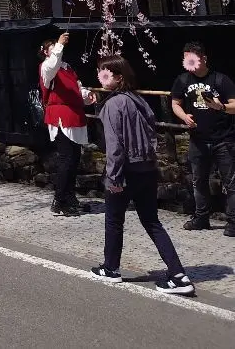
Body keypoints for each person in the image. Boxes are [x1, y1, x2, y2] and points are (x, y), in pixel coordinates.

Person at [92, 55, 195, 296]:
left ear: (118, 77)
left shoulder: (112, 105)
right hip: (147, 168)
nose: (101, 77)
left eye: (105, 74)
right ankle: (178, 274)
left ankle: (111, 268)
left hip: (125, 170)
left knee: (114, 220)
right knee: (152, 222)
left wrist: (113, 177)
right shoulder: (138, 100)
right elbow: (152, 131)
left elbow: (115, 146)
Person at [170, 41, 235, 236]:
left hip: (223, 138)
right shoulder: (182, 80)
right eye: (186, 58)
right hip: (197, 138)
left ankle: (232, 221)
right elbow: (175, 103)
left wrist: (221, 107)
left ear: (203, 58)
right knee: (199, 180)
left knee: (230, 181)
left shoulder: (221, 80)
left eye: (193, 58)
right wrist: (183, 116)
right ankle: (201, 217)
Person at [39, 31, 96, 217]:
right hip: (61, 115)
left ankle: (69, 196)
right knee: (66, 159)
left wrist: (87, 95)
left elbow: (77, 87)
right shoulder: (47, 68)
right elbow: (52, 64)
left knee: (75, 158)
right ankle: (59, 198)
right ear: (47, 52)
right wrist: (60, 45)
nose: (56, 49)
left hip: (75, 113)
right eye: (52, 48)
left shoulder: (67, 68)